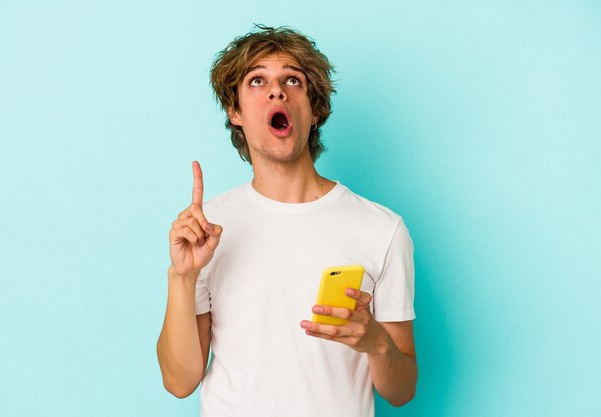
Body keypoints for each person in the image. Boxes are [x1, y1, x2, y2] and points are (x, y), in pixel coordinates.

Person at [156, 25, 417, 417]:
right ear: (236, 112)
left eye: (292, 80)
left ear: (315, 110)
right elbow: (179, 382)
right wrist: (182, 277)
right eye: (257, 80)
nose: (276, 91)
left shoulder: (382, 229)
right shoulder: (208, 230)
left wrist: (375, 342)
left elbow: (402, 391)